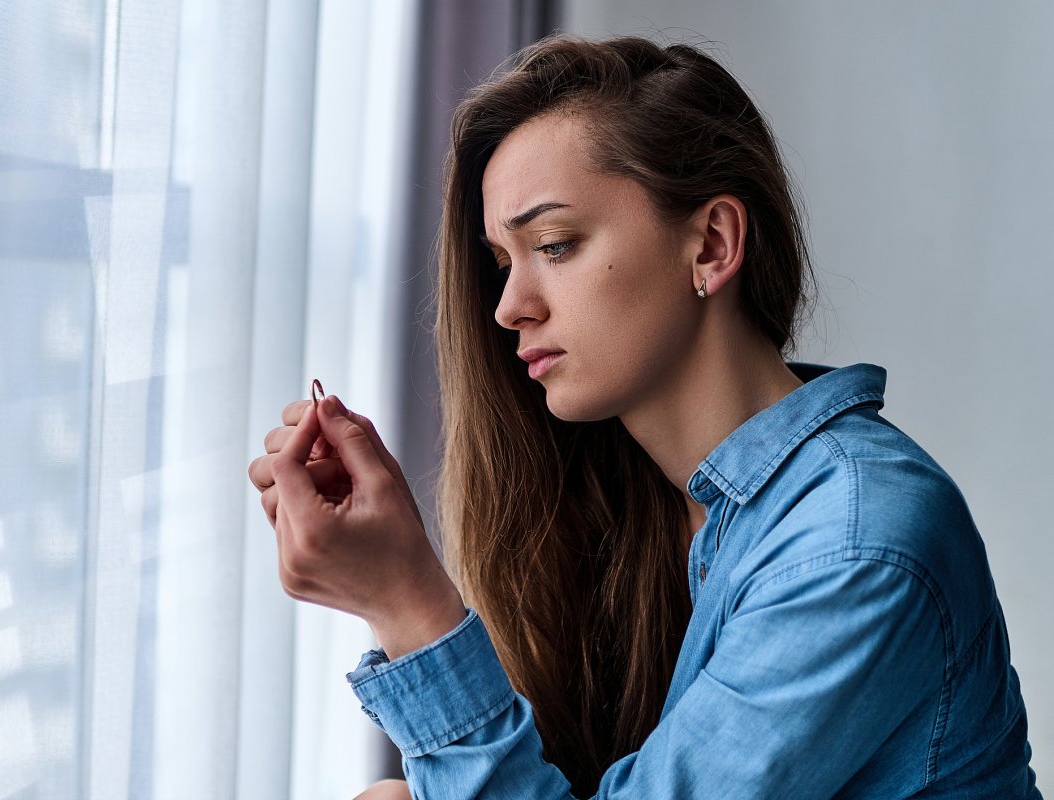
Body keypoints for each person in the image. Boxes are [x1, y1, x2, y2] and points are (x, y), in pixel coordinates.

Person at [248, 35, 1042, 799]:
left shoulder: (854, 543)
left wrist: (405, 603)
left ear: (712, 245)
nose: (508, 307)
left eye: (554, 244)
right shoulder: (637, 515)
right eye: (501, 262)